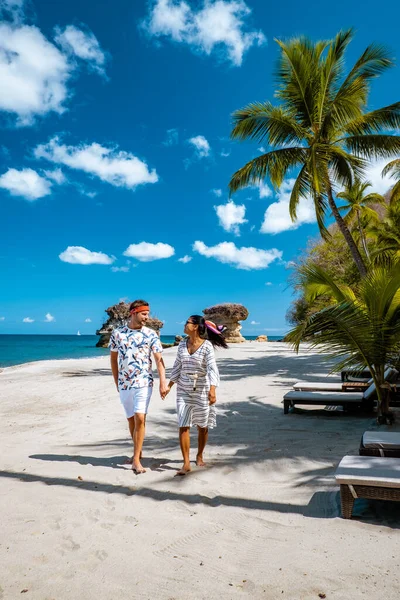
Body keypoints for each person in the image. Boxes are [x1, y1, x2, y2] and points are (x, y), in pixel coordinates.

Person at [164, 315, 227, 475]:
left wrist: (213, 390)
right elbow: (177, 366)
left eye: (187, 322)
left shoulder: (207, 346)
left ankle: (199, 455)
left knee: (202, 426)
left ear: (196, 327)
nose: (184, 324)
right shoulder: (181, 345)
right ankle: (186, 463)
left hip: (202, 389)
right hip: (183, 389)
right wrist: (169, 386)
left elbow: (213, 368)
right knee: (183, 425)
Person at [109, 299, 168, 474]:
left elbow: (159, 359)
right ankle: (138, 451)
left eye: (147, 314)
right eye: (144, 314)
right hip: (125, 383)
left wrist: (163, 382)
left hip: (144, 382)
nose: (146, 317)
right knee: (131, 419)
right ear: (133, 313)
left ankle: (136, 460)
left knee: (140, 418)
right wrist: (116, 380)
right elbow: (113, 359)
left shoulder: (151, 334)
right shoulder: (118, 333)